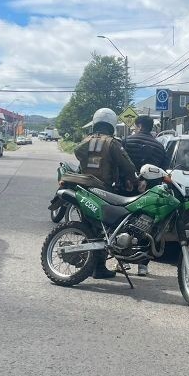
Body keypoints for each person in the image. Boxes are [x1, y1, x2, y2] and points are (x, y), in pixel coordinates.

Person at [74, 108, 138, 279]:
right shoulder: (112, 143)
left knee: (89, 227)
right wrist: (135, 180)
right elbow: (128, 166)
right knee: (105, 230)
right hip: (104, 190)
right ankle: (98, 267)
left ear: (95, 122)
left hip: (85, 188)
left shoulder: (85, 141)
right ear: (112, 124)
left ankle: (88, 264)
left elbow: (77, 152)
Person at [121, 115, 168, 276]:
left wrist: (126, 181)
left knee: (123, 223)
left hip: (127, 190)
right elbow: (164, 171)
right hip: (149, 193)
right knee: (147, 226)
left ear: (139, 126)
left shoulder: (127, 141)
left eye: (135, 126)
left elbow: (120, 164)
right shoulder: (159, 147)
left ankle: (123, 262)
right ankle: (143, 264)